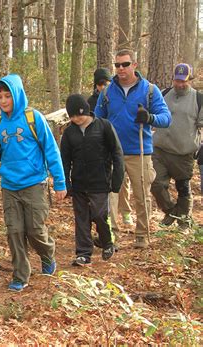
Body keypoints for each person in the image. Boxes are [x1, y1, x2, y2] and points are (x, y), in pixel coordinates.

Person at [0, 74, 66, 292]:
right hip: (9, 185)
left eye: (7, 96)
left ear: (17, 95)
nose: (3, 101)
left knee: (34, 230)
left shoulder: (34, 118)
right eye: (0, 97)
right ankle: (21, 274)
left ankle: (47, 254)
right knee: (14, 231)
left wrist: (59, 181)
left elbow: (51, 149)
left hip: (34, 184)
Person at [94, 49, 171, 248]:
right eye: (117, 65)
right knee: (110, 195)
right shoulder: (107, 91)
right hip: (112, 152)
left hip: (140, 152)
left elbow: (166, 118)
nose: (121, 69)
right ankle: (110, 235)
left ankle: (142, 234)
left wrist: (150, 118)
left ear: (134, 65)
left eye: (125, 64)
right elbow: (97, 118)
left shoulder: (150, 90)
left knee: (141, 195)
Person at [61, 94, 124, 266]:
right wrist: (65, 182)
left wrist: (117, 179)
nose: (76, 119)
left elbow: (117, 153)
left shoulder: (103, 126)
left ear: (86, 111)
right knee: (82, 218)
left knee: (100, 214)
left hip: (100, 181)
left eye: (79, 115)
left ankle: (107, 242)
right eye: (72, 116)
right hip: (79, 182)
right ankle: (83, 253)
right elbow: (65, 160)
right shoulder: (69, 132)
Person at [151, 63, 203, 227]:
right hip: (159, 150)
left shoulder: (199, 99)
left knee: (183, 188)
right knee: (156, 184)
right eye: (177, 80)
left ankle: (184, 223)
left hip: (183, 153)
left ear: (190, 80)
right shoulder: (164, 94)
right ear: (173, 79)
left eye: (184, 81)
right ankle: (172, 212)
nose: (180, 84)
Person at [89, 68, 133, 234]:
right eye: (100, 83)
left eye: (105, 83)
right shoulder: (92, 101)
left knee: (124, 182)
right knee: (111, 184)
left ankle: (126, 212)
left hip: (124, 146)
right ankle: (111, 226)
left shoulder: (115, 95)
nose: (103, 86)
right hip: (103, 148)